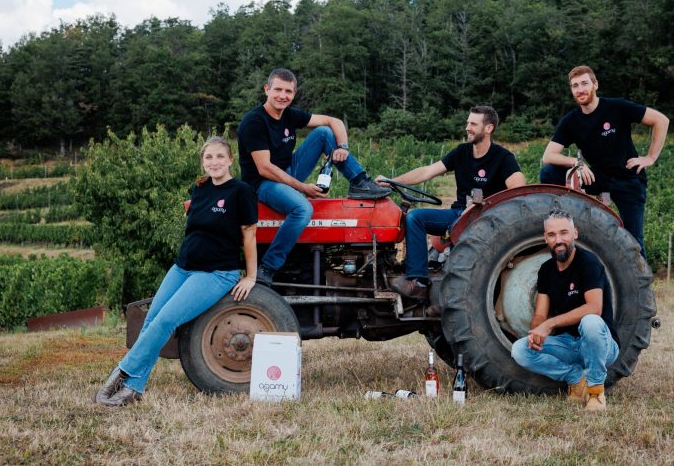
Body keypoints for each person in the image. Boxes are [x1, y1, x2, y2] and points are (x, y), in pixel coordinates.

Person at [93, 136, 258, 407]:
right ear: (202, 162)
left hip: (215, 273)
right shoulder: (200, 188)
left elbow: (249, 234)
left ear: (230, 160)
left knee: (164, 322)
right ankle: (134, 388)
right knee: (150, 322)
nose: (214, 162)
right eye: (208, 157)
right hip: (182, 268)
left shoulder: (241, 192)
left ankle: (121, 372)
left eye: (219, 157)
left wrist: (250, 276)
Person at [237, 68, 390, 286]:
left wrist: (343, 147)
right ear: (266, 89)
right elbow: (264, 168)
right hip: (262, 183)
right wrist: (302, 188)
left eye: (288, 91)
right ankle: (267, 267)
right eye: (278, 89)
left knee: (325, 133)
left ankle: (359, 181)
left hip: (288, 170)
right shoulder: (254, 122)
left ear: (294, 93)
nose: (283, 95)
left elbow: (333, 121)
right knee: (302, 209)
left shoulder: (289, 115)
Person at [376, 106, 525, 307]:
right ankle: (418, 281)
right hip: (458, 213)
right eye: (467, 123)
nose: (467, 128)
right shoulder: (462, 152)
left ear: (488, 128)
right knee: (415, 218)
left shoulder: (503, 158)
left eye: (473, 124)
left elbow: (519, 191)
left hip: (484, 218)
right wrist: (392, 181)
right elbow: (427, 171)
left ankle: (455, 293)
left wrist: (482, 206)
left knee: (458, 227)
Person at [540, 65, 669, 257]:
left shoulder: (617, 107)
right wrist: (578, 163)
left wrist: (650, 157)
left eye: (584, 83)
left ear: (595, 85)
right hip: (598, 178)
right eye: (575, 86)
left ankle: (639, 286)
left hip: (628, 178)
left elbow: (661, 120)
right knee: (549, 172)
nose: (580, 89)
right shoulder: (571, 121)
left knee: (634, 242)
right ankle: (564, 219)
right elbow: (548, 156)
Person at [511, 208, 620, 412]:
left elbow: (594, 308)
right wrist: (536, 333)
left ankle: (596, 391)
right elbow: (540, 315)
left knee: (590, 322)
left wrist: (549, 324)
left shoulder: (589, 262)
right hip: (568, 346)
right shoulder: (546, 270)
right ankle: (576, 379)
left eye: (564, 233)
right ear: (545, 238)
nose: (558, 240)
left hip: (600, 345)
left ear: (575, 233)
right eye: (552, 235)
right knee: (520, 350)